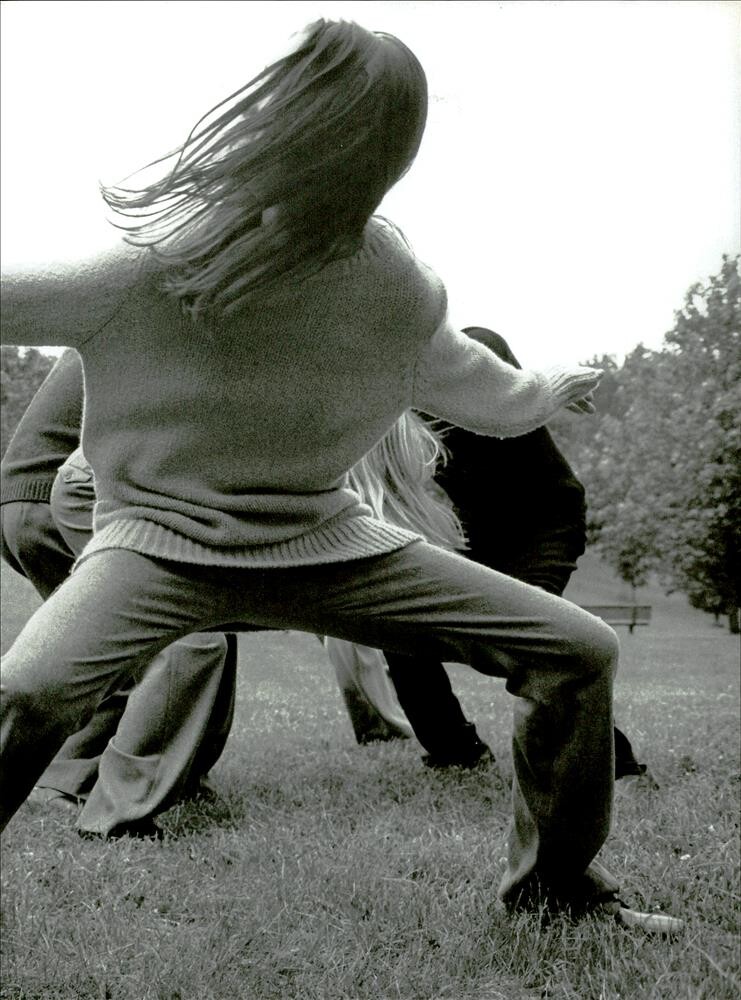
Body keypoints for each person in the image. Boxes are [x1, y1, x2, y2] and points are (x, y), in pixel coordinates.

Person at [0, 19, 681, 931]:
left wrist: (553, 385)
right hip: (153, 545)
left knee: (575, 651)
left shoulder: (394, 286)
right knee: (27, 692)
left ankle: (556, 893)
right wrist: (540, 390)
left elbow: (495, 400)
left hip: (324, 541)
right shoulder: (152, 268)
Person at [343, 329, 650, 781]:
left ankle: (618, 766)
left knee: (535, 642)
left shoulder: (471, 348)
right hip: (475, 532)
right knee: (398, 628)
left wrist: (548, 388)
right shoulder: (381, 403)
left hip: (545, 521)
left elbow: (511, 389)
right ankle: (455, 753)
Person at [1, 350, 237, 838]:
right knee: (185, 638)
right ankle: (121, 810)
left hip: (21, 502)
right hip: (63, 493)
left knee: (116, 652)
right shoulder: (199, 324)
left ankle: (64, 780)